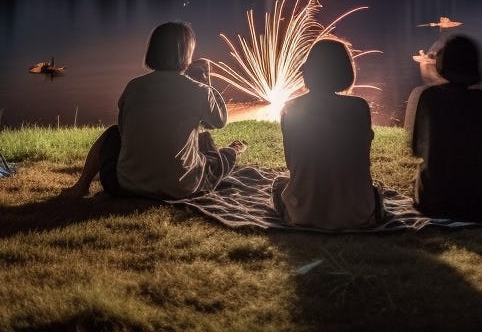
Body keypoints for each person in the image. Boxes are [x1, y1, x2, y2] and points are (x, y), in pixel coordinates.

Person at [62, 21, 245, 200]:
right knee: (215, 160)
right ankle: (233, 150)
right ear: (187, 54)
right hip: (181, 187)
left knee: (112, 134)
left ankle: (81, 186)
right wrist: (206, 82)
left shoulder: (133, 87)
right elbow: (219, 121)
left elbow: (124, 131)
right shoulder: (199, 90)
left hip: (126, 186)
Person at [272, 37, 382, 228]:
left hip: (305, 213)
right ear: (345, 71)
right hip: (356, 212)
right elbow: (362, 159)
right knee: (376, 189)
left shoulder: (291, 108)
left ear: (309, 70)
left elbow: (291, 163)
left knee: (278, 185)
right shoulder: (359, 108)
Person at [411, 34, 482, 222]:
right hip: (481, 203)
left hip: (432, 201)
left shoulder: (426, 98)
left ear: (442, 63)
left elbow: (416, 149)